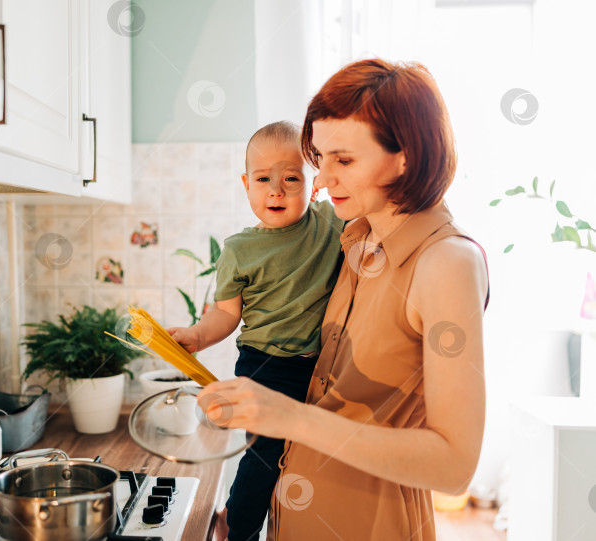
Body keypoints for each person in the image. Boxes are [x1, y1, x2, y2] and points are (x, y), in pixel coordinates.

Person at [197, 58, 490, 540]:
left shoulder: (446, 263)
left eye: (345, 160)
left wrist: (287, 416)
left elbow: (454, 466)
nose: (322, 178)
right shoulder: (356, 237)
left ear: (405, 158)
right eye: (321, 156)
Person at [168, 121, 344, 541]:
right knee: (264, 455)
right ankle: (238, 528)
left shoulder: (330, 222)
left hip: (320, 367)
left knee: (309, 456)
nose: (276, 191)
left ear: (313, 182)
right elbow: (225, 315)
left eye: (291, 179)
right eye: (263, 179)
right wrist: (197, 335)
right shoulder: (239, 249)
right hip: (265, 365)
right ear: (246, 184)